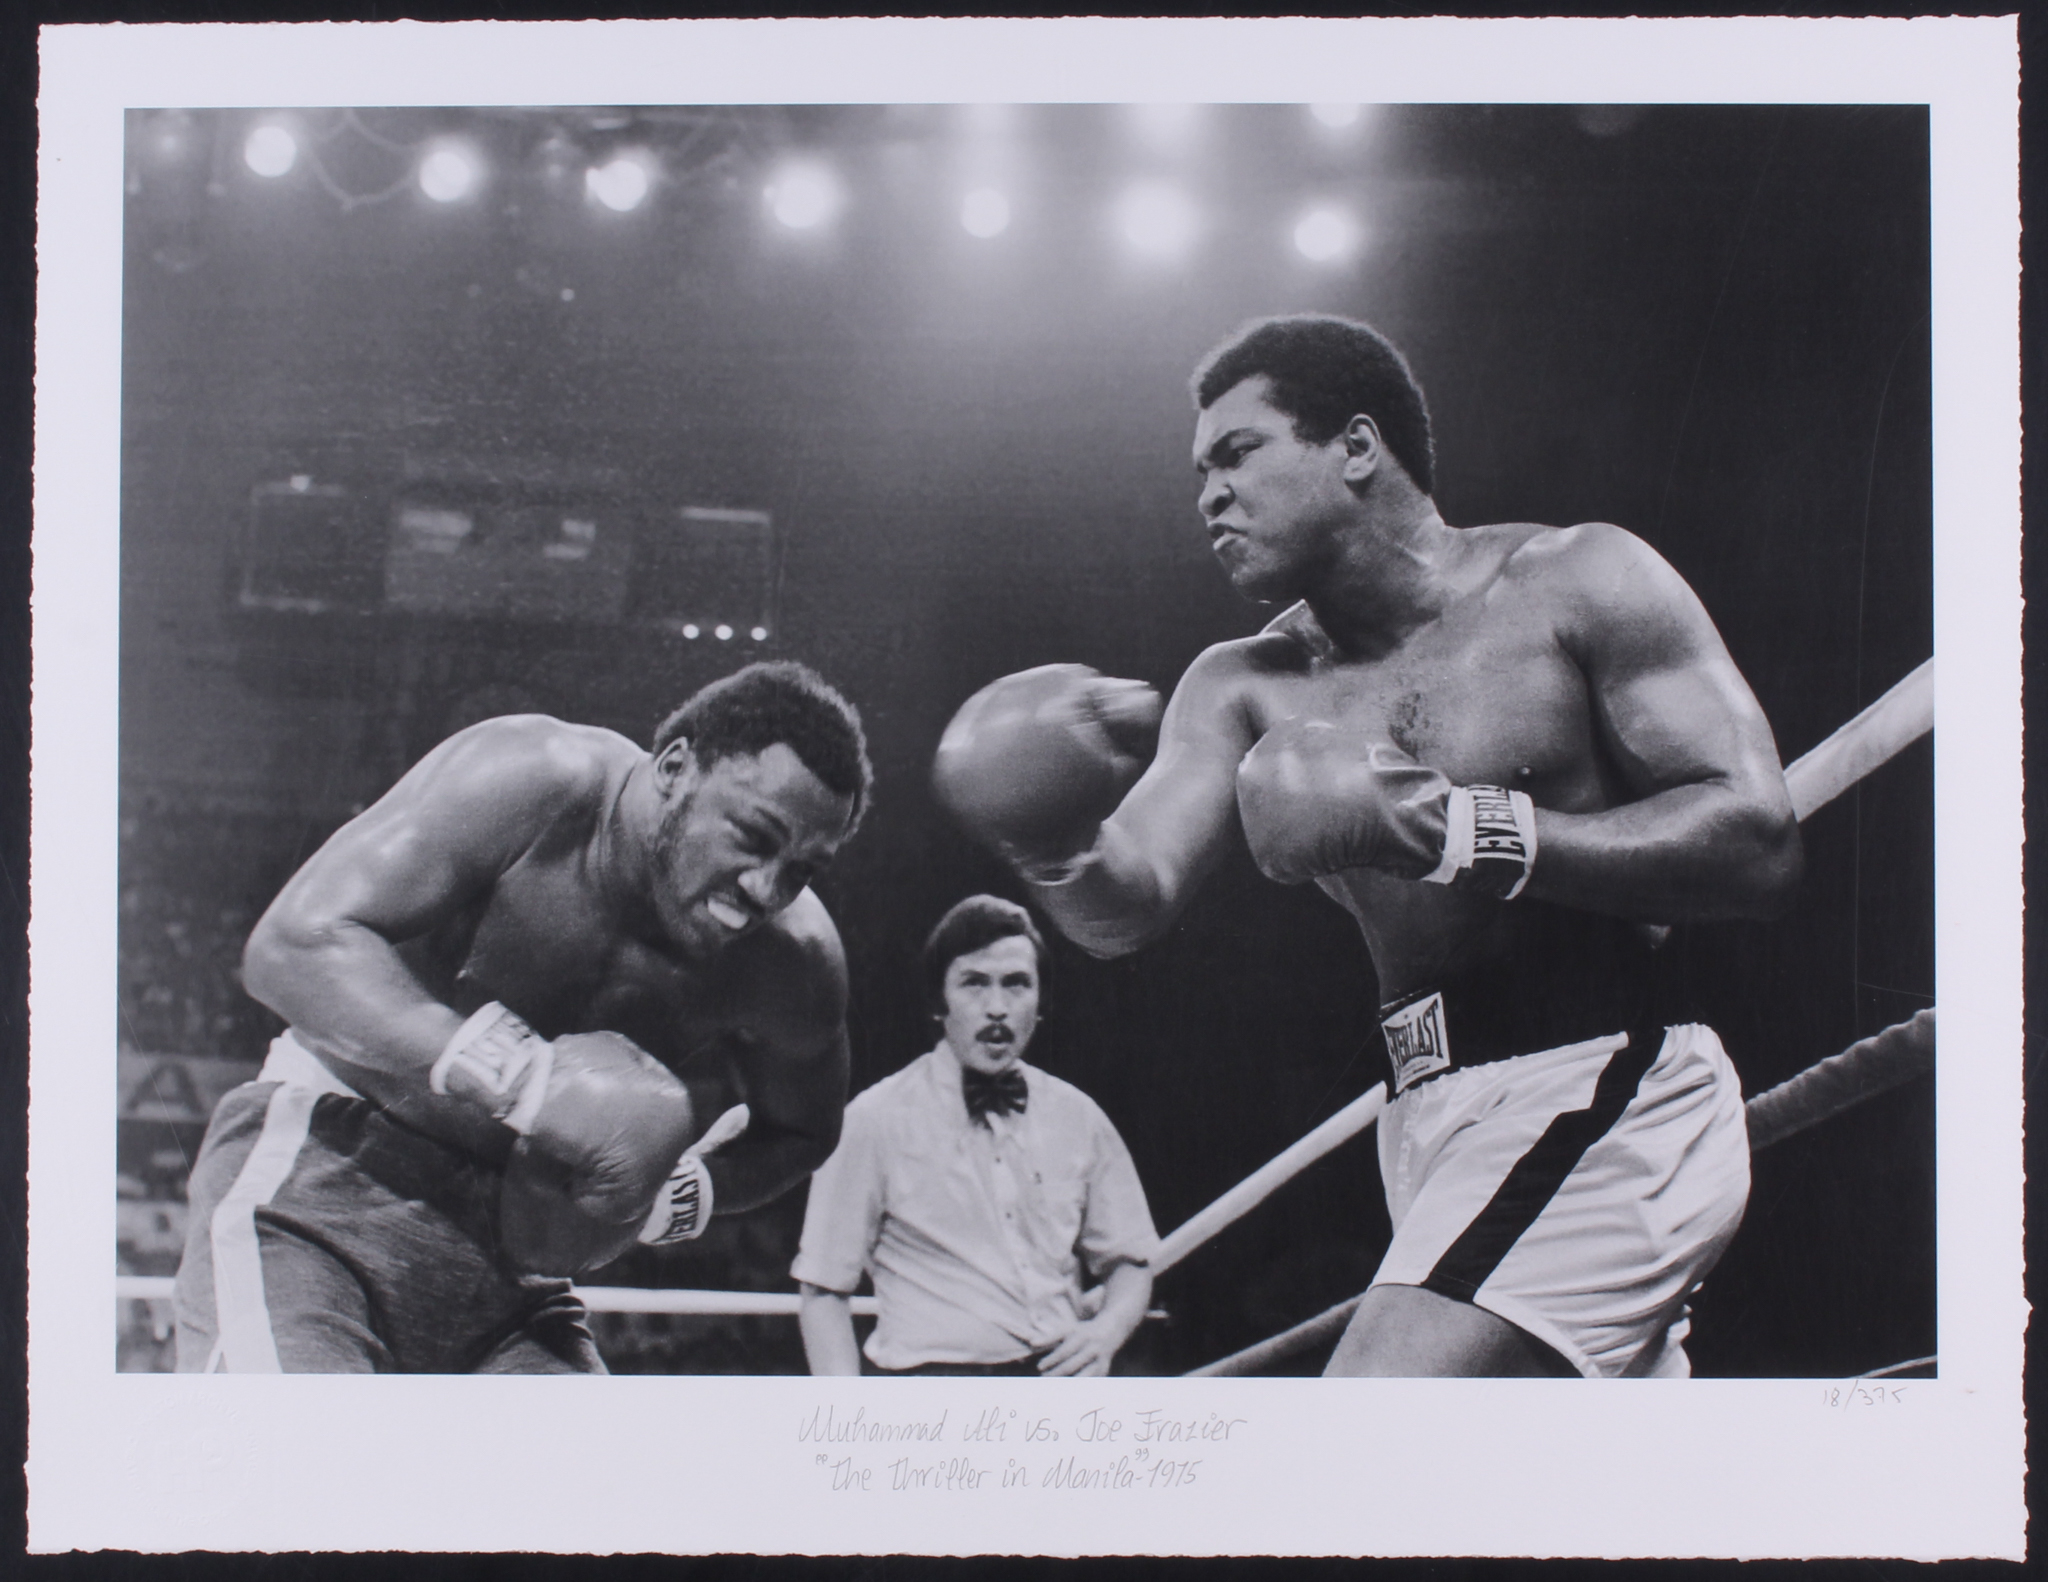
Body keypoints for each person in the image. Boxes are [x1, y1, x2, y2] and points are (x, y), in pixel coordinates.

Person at [933, 314, 1802, 1379]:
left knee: (1358, 1431)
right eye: (1199, 471)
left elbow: (1757, 841)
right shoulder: (1240, 684)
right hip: (1429, 1115)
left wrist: (1455, 829)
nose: (1208, 495)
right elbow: (1130, 900)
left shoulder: (1577, 580)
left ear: (1354, 446)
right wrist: (1053, 841)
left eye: (1237, 453)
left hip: (1604, 1083)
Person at [173, 660, 873, 1373]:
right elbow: (292, 945)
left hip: (514, 1277)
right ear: (674, 767)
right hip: (322, 1179)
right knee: (294, 1437)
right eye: (754, 835)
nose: (766, 888)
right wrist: (524, 1078)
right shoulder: (534, 780)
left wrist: (681, 1195)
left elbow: (804, 1130)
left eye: (802, 869)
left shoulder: (793, 960)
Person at [792, 895, 1158, 1377]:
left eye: (1016, 984)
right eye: (974, 983)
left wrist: (1105, 1331)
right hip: (933, 1388)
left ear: (1040, 1003)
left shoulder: (1078, 1117)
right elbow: (822, 1290)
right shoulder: (873, 1120)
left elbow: (1131, 1260)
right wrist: (849, 1413)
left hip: (1060, 1383)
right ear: (939, 1001)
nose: (997, 1008)